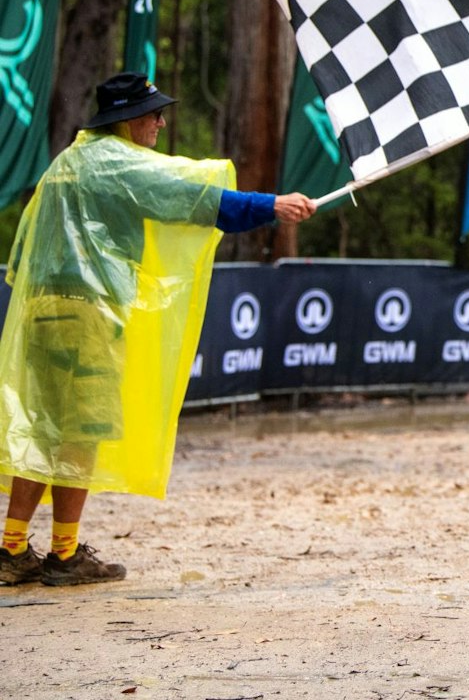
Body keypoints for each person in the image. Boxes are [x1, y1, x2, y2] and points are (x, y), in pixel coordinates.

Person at [0, 73, 315, 587]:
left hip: (41, 311)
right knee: (80, 433)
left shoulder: (68, 161)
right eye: (153, 114)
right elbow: (193, 199)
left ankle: (12, 548)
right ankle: (64, 553)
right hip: (86, 316)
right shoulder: (118, 163)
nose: (161, 123)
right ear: (127, 120)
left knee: (40, 428)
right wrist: (271, 206)